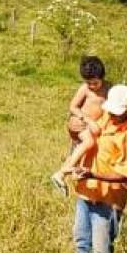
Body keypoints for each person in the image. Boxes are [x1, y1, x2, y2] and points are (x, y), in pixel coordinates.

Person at [69, 83, 127, 253]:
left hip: (108, 199)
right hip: (86, 192)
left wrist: (93, 174)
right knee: (82, 241)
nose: (113, 116)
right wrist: (74, 131)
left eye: (118, 113)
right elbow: (86, 135)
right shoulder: (105, 117)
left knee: (101, 250)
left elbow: (125, 173)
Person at [50, 55, 108, 195]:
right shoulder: (84, 89)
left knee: (80, 151)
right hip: (79, 123)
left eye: (95, 83)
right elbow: (73, 107)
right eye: (89, 83)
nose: (93, 86)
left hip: (92, 127)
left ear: (102, 78)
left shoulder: (109, 88)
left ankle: (61, 176)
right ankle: (62, 172)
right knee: (89, 143)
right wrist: (88, 120)